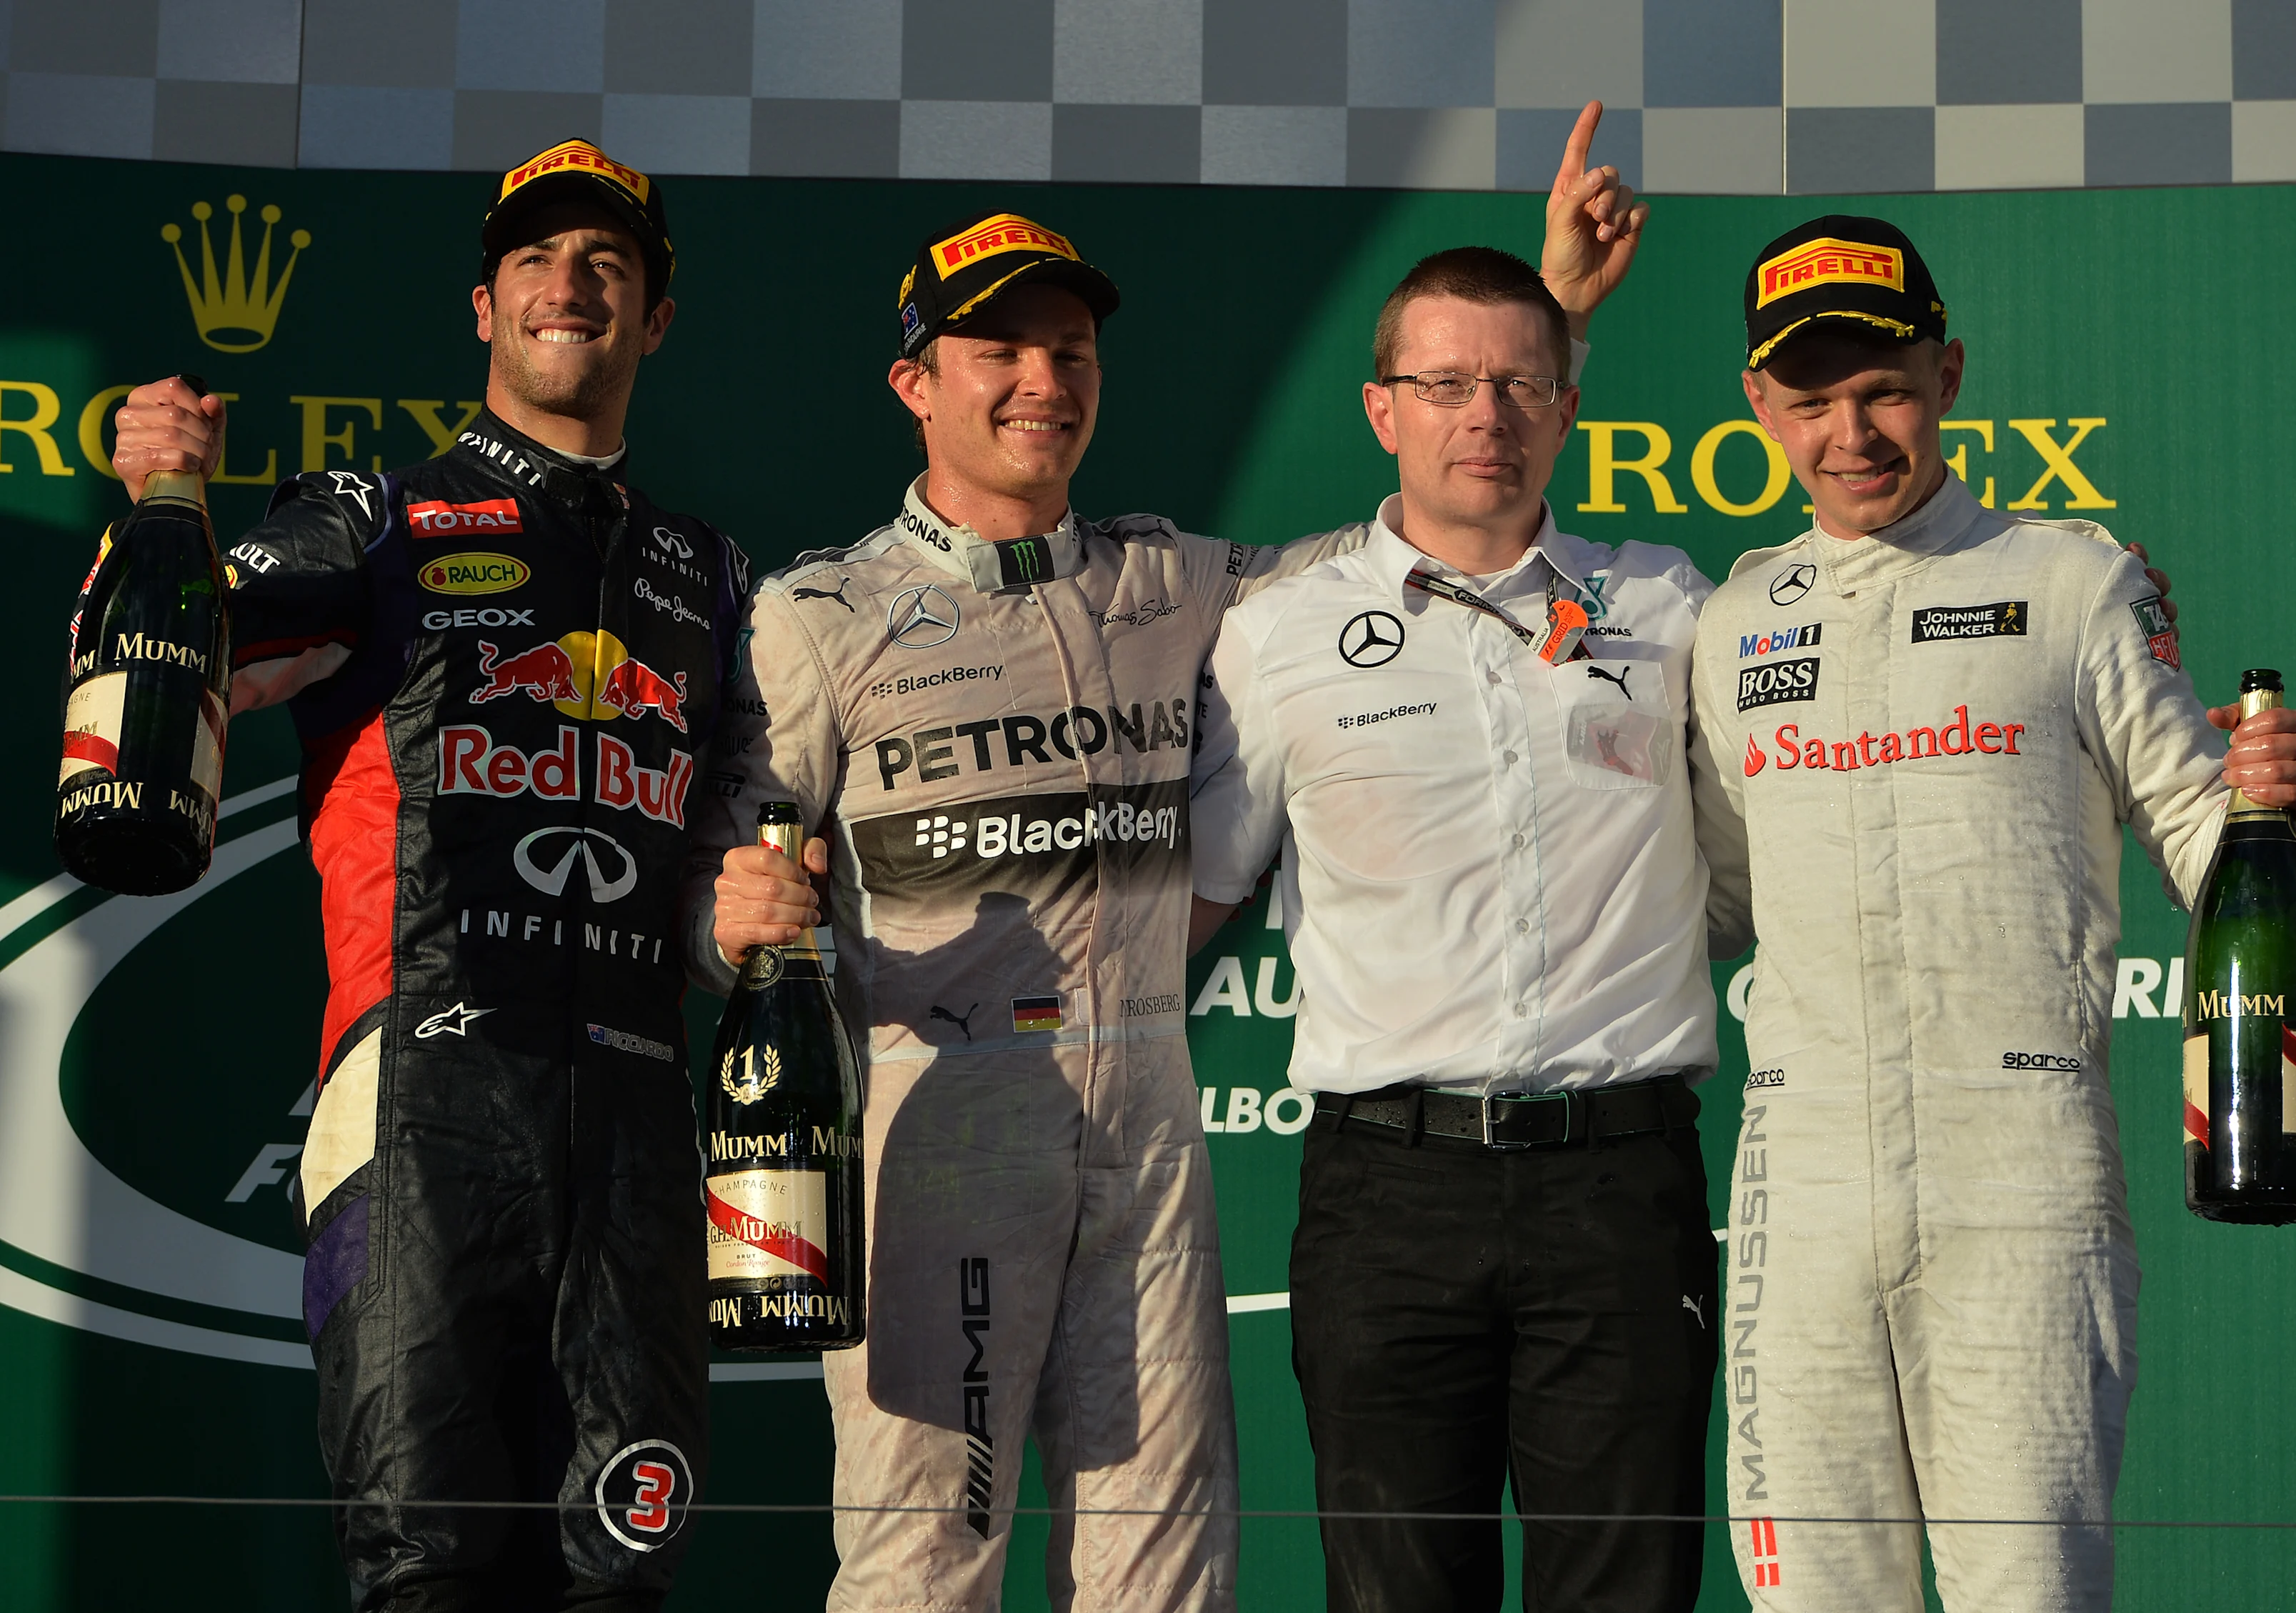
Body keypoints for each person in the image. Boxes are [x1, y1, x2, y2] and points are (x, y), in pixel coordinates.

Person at [687, 109, 1645, 1613]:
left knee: (1167, 1560)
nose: (1042, 380)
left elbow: (1419, 535)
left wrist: (1550, 321)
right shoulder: (824, 613)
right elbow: (733, 869)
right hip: (940, 1115)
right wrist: (726, 914)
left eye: (1069, 351)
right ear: (913, 382)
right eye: (998, 351)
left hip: (1144, 1107)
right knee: (922, 1557)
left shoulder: (1175, 579)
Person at [104, 139, 747, 1612]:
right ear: (482, 307)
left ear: (653, 317)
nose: (567, 283)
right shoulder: (376, 521)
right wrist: (159, 507)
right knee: (426, 1571)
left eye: (607, 262)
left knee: (622, 1575)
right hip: (417, 1100)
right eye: (535, 258)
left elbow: (732, 854)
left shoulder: (710, 576)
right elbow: (168, 674)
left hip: (641, 1126)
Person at [1693, 215, 2296, 1612]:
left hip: (2023, 1177)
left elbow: (2195, 831)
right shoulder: (1732, 622)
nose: (1850, 432)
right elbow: (1702, 906)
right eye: (1809, 401)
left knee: (2028, 1594)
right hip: (1798, 1186)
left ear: (1950, 373)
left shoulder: (2069, 580)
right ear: (1758, 407)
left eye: (1886, 390)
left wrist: (2263, 799)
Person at [1184, 235, 1742, 1612]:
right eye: (1444, 385)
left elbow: (1809, 810)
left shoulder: (1674, 605)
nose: (1483, 416)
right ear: (1382, 409)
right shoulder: (1278, 632)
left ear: (1566, 404)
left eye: (1518, 385)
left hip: (1623, 1182)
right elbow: (1183, 906)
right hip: (1389, 1195)